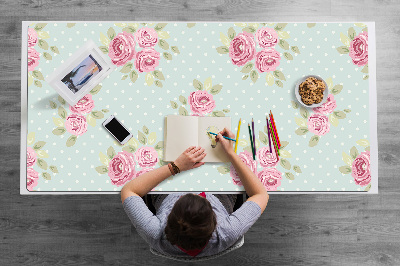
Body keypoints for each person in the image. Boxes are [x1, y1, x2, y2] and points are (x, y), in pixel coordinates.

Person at [121, 128, 269, 258]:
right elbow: (261, 194)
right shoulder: (227, 232)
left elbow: (128, 190)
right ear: (215, 223)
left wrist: (175, 166)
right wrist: (230, 153)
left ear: (169, 219)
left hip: (166, 195)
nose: (196, 192)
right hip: (221, 197)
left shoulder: (155, 233)